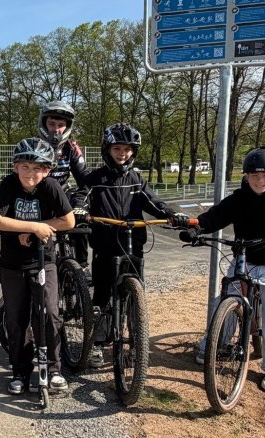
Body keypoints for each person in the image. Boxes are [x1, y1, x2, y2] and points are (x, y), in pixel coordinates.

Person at [179, 145, 265, 393]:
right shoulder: (239, 198)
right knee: (225, 301)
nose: (260, 180)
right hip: (244, 257)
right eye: (254, 176)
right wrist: (196, 229)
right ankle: (217, 344)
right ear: (246, 176)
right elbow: (214, 217)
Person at [81, 123, 185, 369]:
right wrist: (79, 210)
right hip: (105, 245)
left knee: (135, 297)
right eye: (117, 148)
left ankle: (136, 345)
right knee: (103, 296)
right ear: (107, 149)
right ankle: (97, 345)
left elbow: (153, 201)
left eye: (128, 149)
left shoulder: (137, 179)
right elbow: (80, 196)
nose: (122, 154)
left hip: (133, 245)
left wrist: (171, 214)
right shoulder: (95, 179)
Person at [0, 137, 75, 394]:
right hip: (12, 264)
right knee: (17, 318)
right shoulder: (8, 185)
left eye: (37, 168)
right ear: (15, 167)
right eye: (25, 166)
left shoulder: (50, 186)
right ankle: (20, 371)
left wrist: (40, 228)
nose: (30, 173)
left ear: (47, 170)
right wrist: (31, 227)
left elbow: (68, 220)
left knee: (48, 312)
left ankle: (54, 368)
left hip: (43, 262)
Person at [38, 101, 91, 277]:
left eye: (61, 125)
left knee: (81, 219)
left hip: (63, 193)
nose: (56, 129)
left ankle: (82, 265)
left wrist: (81, 204)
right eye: (52, 124)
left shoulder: (72, 148)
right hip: (38, 196)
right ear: (44, 123)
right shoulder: (34, 145)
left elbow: (84, 179)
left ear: (67, 127)